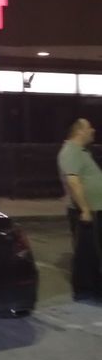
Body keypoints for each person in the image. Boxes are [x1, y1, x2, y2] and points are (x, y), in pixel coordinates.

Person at [57, 118, 102, 300]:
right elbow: (73, 181)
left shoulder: (81, 151)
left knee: (93, 252)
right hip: (85, 211)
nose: (93, 130)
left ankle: (93, 286)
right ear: (80, 131)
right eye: (89, 127)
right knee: (86, 252)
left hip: (93, 209)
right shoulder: (71, 151)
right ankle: (86, 290)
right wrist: (84, 210)